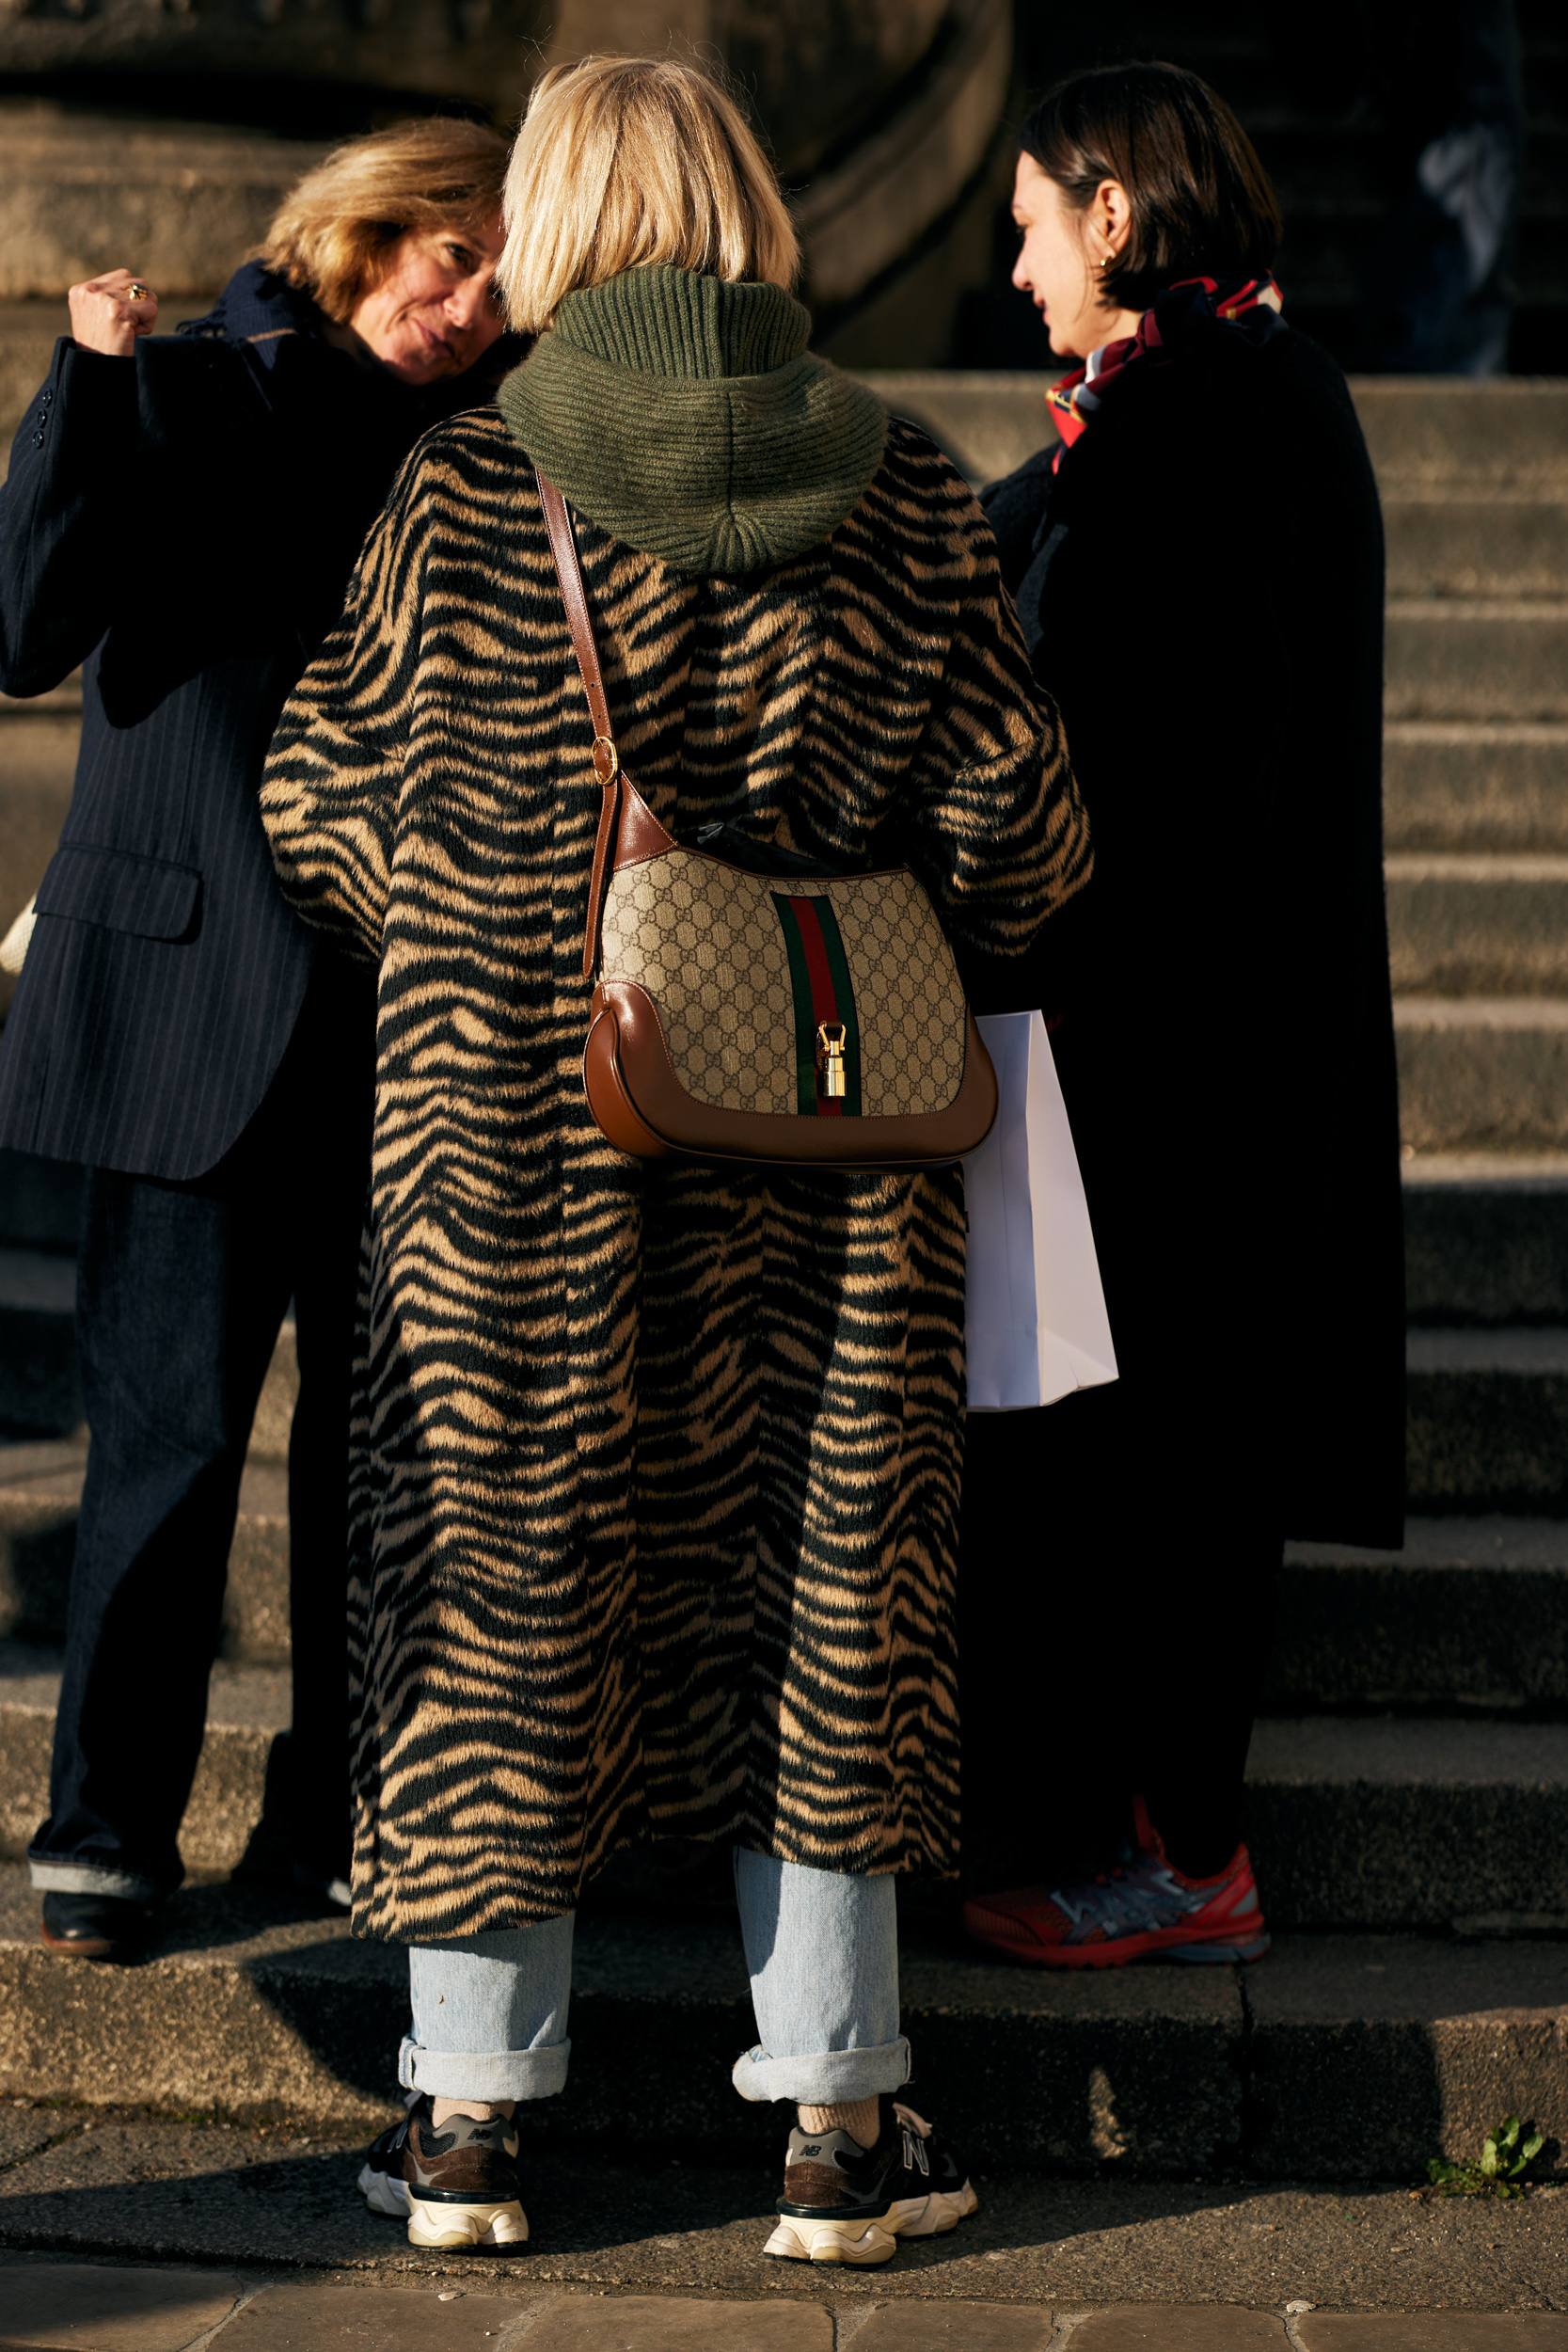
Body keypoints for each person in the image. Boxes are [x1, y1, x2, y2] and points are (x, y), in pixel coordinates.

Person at [259, 54, 1091, 2263]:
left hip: (513, 1147)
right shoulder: (906, 490)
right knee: (825, 1599)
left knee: (500, 1592)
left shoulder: (461, 488)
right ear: (744, 206)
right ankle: (835, 2121)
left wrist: (480, 906)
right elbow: (1028, 835)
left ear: (548, 216)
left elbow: (313, 794)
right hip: (827, 1145)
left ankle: (461, 2120)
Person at [0, 118, 516, 1961]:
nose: (464, 304)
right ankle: (104, 1837)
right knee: (166, 1442)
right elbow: (22, 625)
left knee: (380, 1466)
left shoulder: (491, 458)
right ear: (360, 232)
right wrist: (83, 380)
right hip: (191, 1006)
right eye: (441, 258)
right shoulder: (195, 388)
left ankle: (343, 1813)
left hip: (404, 1029)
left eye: (495, 277)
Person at [958, 61, 1405, 1966]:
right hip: (1195, 1036)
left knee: (1168, 1451)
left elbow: (1138, 749)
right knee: (1159, 1442)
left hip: (1184, 1049)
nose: (1016, 271)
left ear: (1116, 218)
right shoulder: (1221, 395)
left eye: (1034, 224)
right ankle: (1149, 1833)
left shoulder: (1207, 413)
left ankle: (1171, 1850)